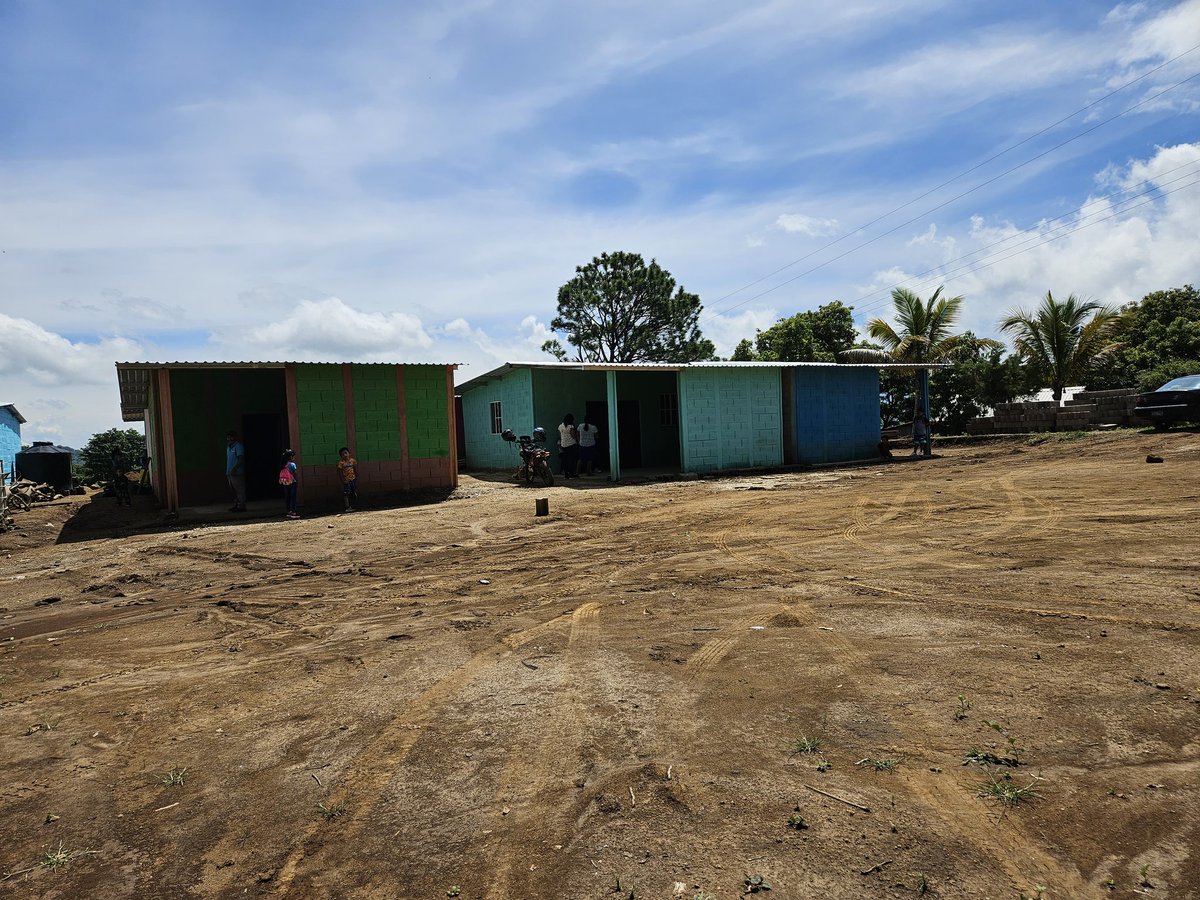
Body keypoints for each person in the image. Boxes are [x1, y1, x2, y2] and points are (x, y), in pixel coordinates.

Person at [226, 430, 246, 512]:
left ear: (235, 437)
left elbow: (241, 459)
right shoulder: (228, 447)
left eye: (231, 437)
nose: (229, 438)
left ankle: (241, 506)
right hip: (229, 472)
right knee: (233, 490)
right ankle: (236, 504)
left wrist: (235, 468)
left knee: (239, 489)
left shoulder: (238, 446)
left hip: (237, 472)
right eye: (228, 437)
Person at [336, 446, 359, 510]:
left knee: (353, 492)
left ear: (349, 453)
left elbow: (355, 469)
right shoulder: (341, 463)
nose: (345, 455)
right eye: (342, 454)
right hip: (346, 481)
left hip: (353, 479)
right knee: (346, 493)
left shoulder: (352, 461)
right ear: (341, 456)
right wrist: (343, 480)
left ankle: (354, 505)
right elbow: (339, 473)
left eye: (346, 453)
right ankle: (347, 507)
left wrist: (356, 478)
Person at [557, 413, 579, 479]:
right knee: (572, 460)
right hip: (571, 444)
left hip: (563, 444)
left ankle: (566, 474)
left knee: (565, 460)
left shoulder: (560, 426)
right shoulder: (570, 426)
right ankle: (572, 474)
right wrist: (577, 440)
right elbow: (573, 435)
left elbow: (559, 435)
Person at [279, 449, 299, 519]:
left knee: (287, 497)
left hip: (285, 483)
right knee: (293, 497)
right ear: (291, 457)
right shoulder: (292, 464)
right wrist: (296, 481)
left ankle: (289, 512)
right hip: (292, 482)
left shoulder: (283, 465)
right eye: (293, 456)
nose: (294, 458)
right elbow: (295, 474)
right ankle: (294, 512)